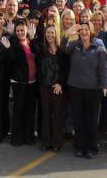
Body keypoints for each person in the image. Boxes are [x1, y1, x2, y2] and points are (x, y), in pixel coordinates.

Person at [64, 22, 107, 158]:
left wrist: (105, 85)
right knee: (78, 119)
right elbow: (63, 49)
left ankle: (92, 147)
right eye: (81, 30)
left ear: (90, 30)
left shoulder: (99, 45)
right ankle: (79, 146)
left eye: (86, 29)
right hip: (75, 87)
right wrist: (67, 35)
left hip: (93, 89)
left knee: (91, 120)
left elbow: (103, 67)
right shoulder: (74, 44)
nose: (83, 32)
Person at [37, 24, 69, 152]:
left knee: (57, 114)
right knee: (45, 113)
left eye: (52, 33)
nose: (50, 35)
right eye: (48, 33)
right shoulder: (41, 50)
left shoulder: (62, 51)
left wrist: (60, 83)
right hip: (44, 86)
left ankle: (56, 142)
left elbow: (66, 69)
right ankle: (45, 142)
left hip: (57, 88)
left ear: (56, 35)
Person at [7, 19, 38, 146]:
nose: (20, 32)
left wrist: (33, 37)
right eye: (18, 30)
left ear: (27, 31)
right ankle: (16, 138)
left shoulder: (31, 41)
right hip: (19, 82)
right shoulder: (13, 43)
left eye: (22, 30)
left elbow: (38, 52)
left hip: (32, 82)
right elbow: (10, 60)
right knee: (18, 110)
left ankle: (28, 136)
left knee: (30, 110)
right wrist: (9, 41)